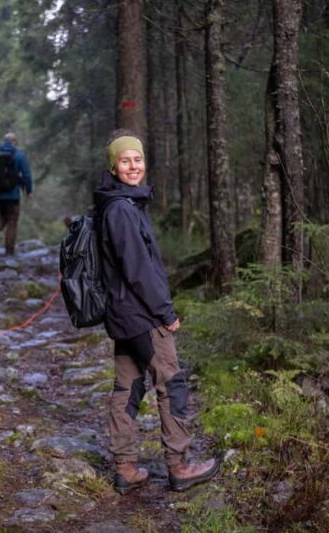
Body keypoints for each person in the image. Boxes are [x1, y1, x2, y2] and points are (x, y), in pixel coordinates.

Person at [93, 131, 220, 495]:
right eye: (125, 161)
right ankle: (179, 467)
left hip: (123, 316)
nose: (133, 166)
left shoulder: (121, 204)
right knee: (172, 384)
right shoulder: (121, 209)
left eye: (138, 160)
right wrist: (165, 312)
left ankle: (125, 467)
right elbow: (139, 270)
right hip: (142, 317)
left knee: (127, 386)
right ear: (113, 167)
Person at [0, 132, 33, 255]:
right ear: (14, 142)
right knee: (12, 221)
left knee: (3, 217)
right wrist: (29, 192)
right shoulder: (19, 156)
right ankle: (9, 252)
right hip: (13, 195)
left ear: (4, 141)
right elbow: (27, 175)